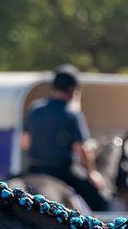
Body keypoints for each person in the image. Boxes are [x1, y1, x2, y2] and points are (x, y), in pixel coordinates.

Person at [21, 65, 110, 212]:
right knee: (100, 201)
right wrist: (92, 174)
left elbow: (24, 143)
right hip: (62, 173)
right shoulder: (72, 114)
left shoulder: (35, 109)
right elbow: (81, 150)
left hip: (33, 170)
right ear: (72, 90)